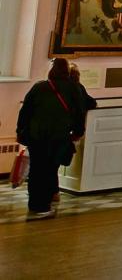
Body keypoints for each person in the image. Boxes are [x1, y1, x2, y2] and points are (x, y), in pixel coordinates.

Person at [16, 58, 82, 219]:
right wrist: (78, 132)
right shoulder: (73, 88)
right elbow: (79, 112)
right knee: (50, 170)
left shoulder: (39, 87)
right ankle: (44, 206)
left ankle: (35, 205)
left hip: (36, 136)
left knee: (37, 170)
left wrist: (21, 131)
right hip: (58, 136)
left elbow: (25, 111)